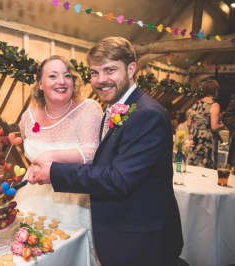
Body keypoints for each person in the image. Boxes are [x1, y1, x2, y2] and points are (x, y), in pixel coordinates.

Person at [28, 37, 183, 266]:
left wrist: (55, 172)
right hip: (121, 235)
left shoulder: (147, 114)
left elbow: (118, 179)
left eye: (110, 70)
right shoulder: (115, 108)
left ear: (131, 69)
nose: (101, 81)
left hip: (142, 242)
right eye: (94, 73)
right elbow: (105, 164)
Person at [15, 55, 103, 265]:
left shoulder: (88, 109)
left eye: (67, 76)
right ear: (40, 84)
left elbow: (93, 153)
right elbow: (28, 146)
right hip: (31, 200)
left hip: (75, 202)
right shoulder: (29, 116)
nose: (61, 81)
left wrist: (50, 157)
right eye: (53, 76)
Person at [187, 80, 223, 169]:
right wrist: (223, 125)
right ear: (215, 91)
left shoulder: (196, 104)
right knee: (206, 168)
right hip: (207, 141)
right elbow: (214, 127)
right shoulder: (214, 105)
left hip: (195, 139)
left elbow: (188, 124)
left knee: (194, 167)